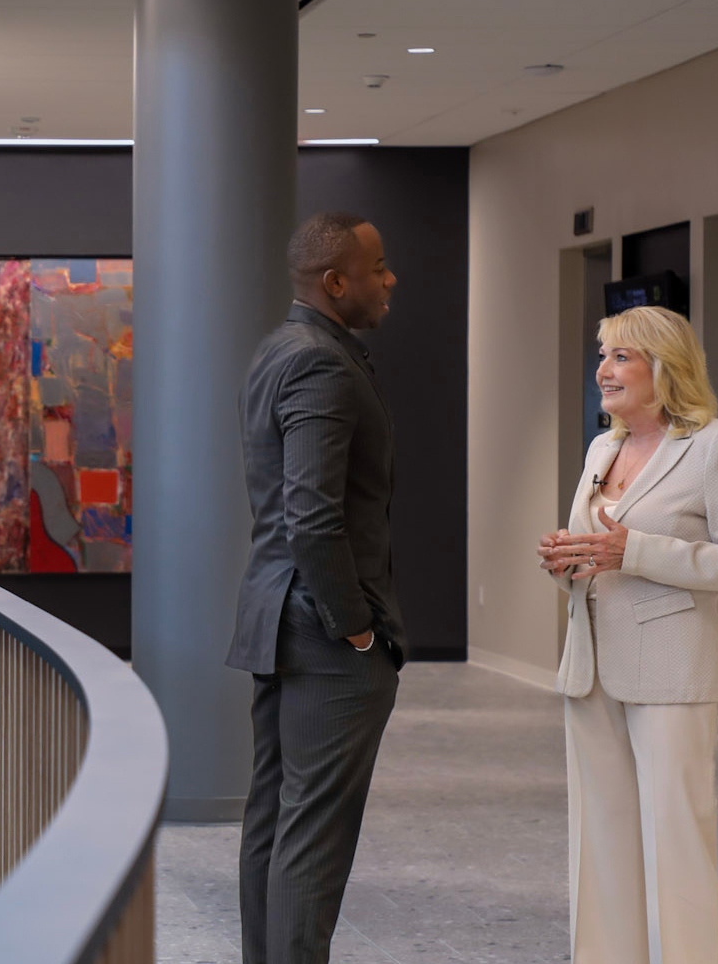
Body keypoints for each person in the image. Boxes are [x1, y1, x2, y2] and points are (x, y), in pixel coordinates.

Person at [535, 305, 718, 964]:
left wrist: (635, 551)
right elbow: (599, 555)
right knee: (600, 845)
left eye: (621, 357)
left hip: (670, 675)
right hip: (590, 671)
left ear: (663, 367)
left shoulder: (716, 444)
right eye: (602, 355)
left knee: (676, 843)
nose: (603, 370)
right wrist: (567, 562)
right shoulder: (600, 449)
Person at [229, 210, 405, 964]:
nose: (390, 279)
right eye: (378, 268)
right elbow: (311, 514)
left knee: (276, 817)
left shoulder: (283, 347)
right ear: (337, 283)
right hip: (322, 629)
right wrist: (355, 626)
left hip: (280, 616)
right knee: (312, 835)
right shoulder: (321, 362)